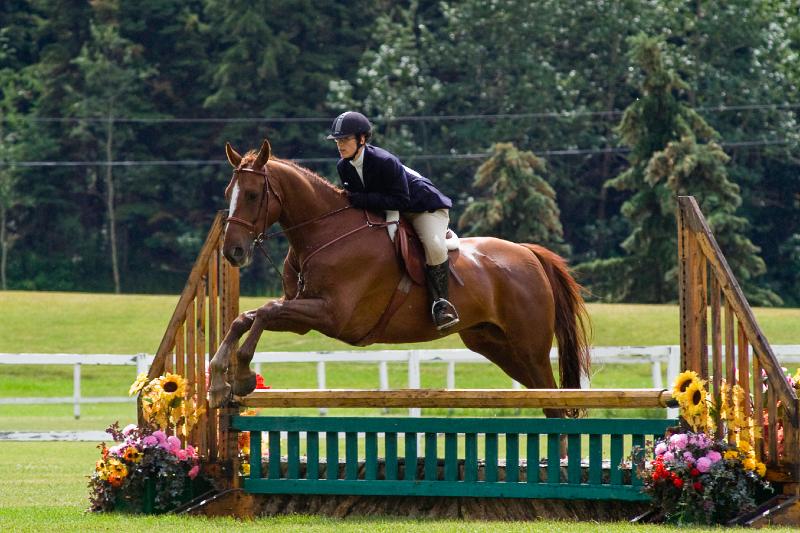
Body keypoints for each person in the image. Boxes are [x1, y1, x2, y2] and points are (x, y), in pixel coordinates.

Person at [327, 111, 459, 330]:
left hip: (423, 207)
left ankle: (441, 304)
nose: (340, 145)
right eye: (338, 141)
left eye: (345, 140)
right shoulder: (343, 166)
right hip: (392, 207)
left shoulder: (384, 161)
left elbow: (399, 198)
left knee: (434, 246)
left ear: (362, 139)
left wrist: (360, 199)